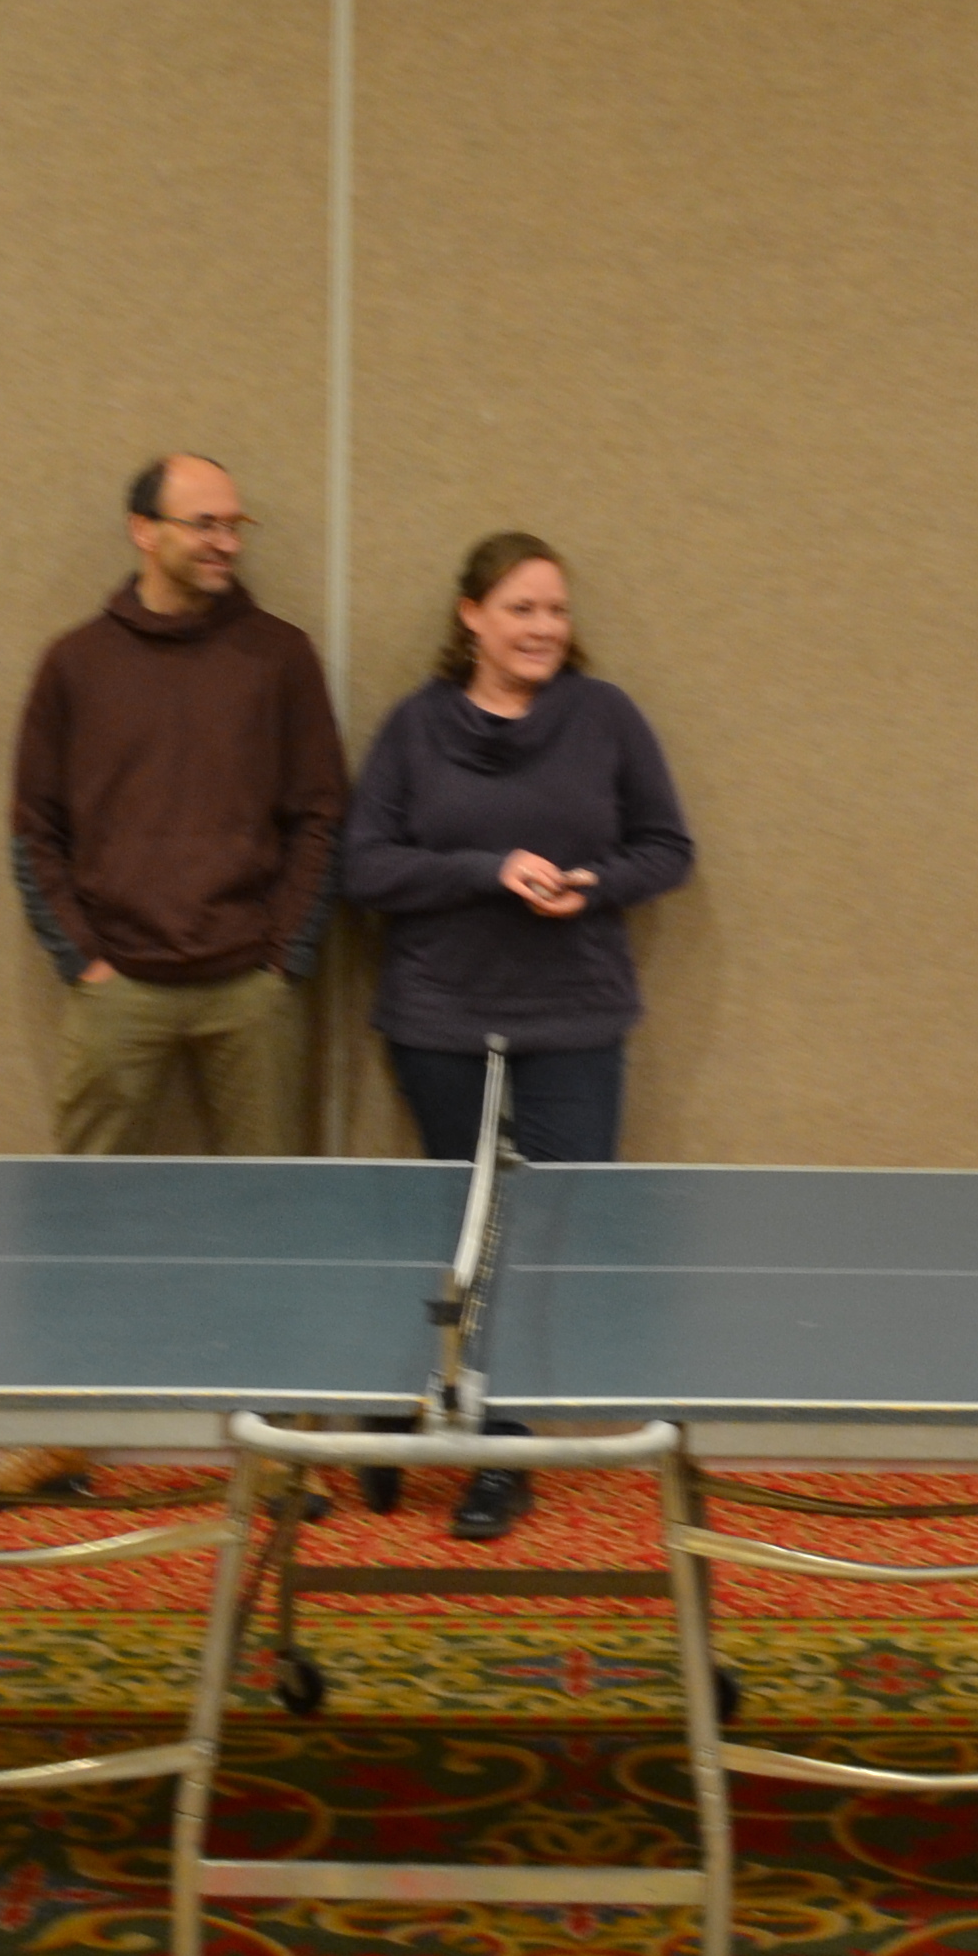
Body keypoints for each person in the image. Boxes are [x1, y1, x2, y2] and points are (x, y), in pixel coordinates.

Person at [339, 530, 694, 1540]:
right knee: (445, 1227)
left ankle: (502, 1442)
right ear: (473, 617)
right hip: (440, 1014)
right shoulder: (414, 728)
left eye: (556, 611)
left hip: (573, 1015)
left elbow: (667, 848)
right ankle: (404, 1403)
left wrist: (594, 886)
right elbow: (364, 868)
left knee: (547, 1235)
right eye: (523, 609)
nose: (544, 628)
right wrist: (484, 869)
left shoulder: (606, 718)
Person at [10, 456, 348, 1156]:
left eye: (234, 525)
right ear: (143, 530)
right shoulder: (75, 663)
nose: (226, 542)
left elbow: (322, 813)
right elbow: (34, 828)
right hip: (117, 990)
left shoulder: (282, 657)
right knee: (85, 1206)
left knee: (273, 1209)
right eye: (205, 524)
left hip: (251, 992)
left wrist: (286, 955)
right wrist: (83, 960)